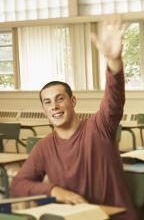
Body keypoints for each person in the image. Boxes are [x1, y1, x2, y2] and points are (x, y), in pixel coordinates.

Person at [10, 16, 136, 220]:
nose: (55, 107)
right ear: (44, 109)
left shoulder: (98, 127)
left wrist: (114, 62)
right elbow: (17, 185)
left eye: (60, 99)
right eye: (48, 102)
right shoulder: (44, 146)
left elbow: (114, 101)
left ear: (73, 101)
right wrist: (54, 190)